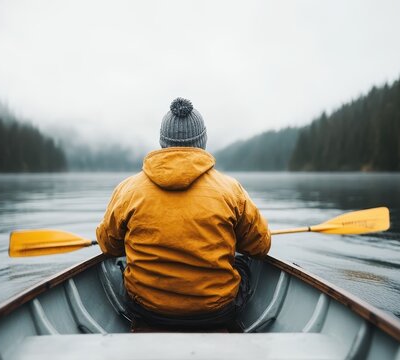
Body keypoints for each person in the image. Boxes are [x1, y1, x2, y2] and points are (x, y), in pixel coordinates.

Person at [96, 97, 271, 329]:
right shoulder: (231, 190)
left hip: (146, 310)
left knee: (123, 262)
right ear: (203, 140)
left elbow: (109, 247)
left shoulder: (128, 190)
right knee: (244, 262)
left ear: (162, 141)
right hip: (216, 312)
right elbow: (260, 247)